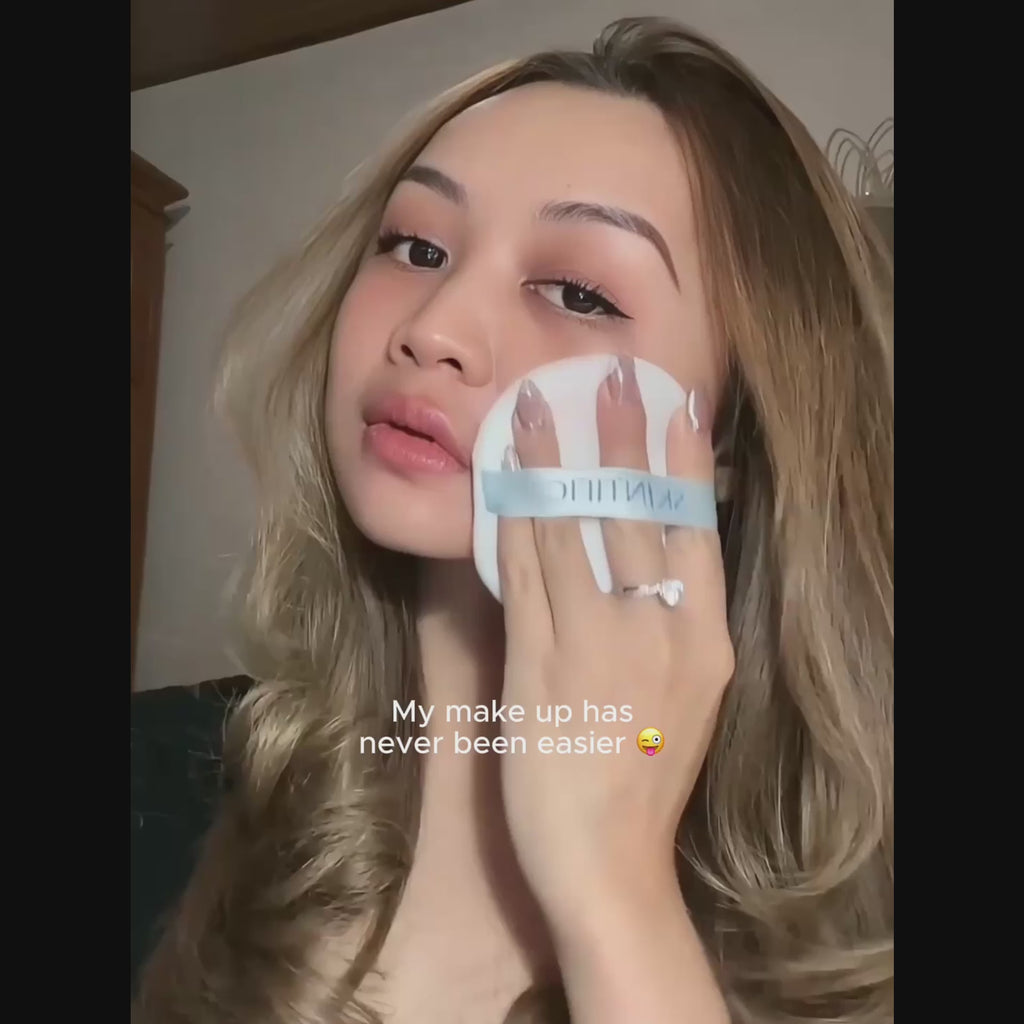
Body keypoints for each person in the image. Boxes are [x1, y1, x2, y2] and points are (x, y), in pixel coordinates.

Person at [132, 15, 894, 1024]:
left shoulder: (856, 957)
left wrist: (616, 899)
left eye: (577, 291)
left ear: (728, 445)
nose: (432, 328)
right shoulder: (155, 792)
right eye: (416, 247)